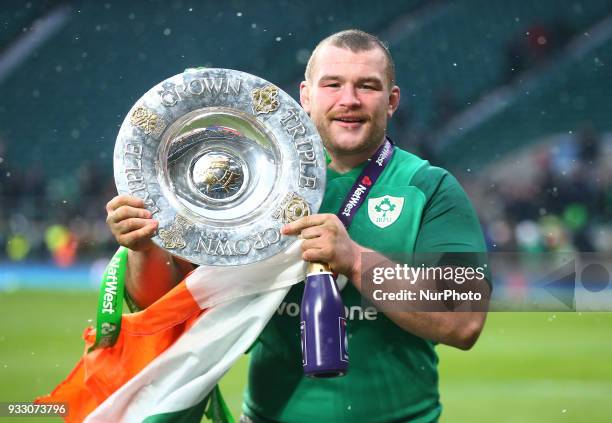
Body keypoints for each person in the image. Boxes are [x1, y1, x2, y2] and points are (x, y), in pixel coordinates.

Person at [106, 29, 489, 423]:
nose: (349, 100)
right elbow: (167, 305)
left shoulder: (430, 188)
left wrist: (355, 260)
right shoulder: (252, 188)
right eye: (333, 84)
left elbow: (463, 321)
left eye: (367, 86)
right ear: (305, 96)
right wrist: (143, 247)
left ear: (391, 101)